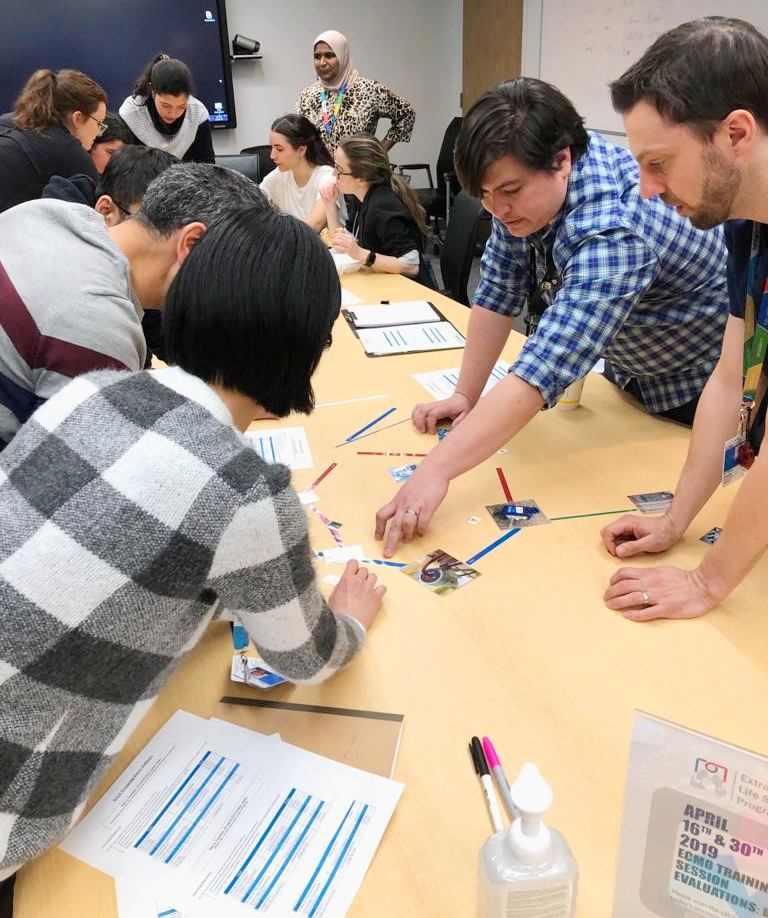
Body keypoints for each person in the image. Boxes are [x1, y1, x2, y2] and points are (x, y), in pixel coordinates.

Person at [0, 206, 385, 899]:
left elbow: (113, 552)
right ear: (304, 347)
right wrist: (349, 621)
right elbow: (303, 658)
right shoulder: (245, 493)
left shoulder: (92, 390)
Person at [373, 77, 730, 557]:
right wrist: (465, 394)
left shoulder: (615, 227)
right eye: (483, 193)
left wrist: (435, 470)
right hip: (629, 380)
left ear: (562, 160)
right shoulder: (531, 184)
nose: (497, 209)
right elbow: (497, 291)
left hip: (695, 391)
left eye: (509, 192)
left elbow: (544, 366)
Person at [600, 17, 768, 621]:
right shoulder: (747, 223)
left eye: (660, 163)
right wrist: (676, 518)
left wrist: (707, 584)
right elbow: (728, 378)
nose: (647, 190)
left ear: (735, 133)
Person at [0, 162, 265, 448]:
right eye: (231, 275)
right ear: (191, 242)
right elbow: (79, 481)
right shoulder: (99, 325)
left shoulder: (44, 214)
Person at [322, 134, 435, 287]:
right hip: (382, 281)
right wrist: (329, 205)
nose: (334, 175)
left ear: (361, 177)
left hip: (409, 291)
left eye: (339, 170)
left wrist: (362, 254)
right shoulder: (359, 196)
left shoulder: (383, 206)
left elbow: (411, 265)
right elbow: (343, 244)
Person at [0, 68, 106, 213]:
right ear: (78, 118)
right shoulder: (70, 152)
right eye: (99, 123)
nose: (99, 133)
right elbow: (100, 214)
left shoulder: (10, 119)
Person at [295, 30, 415, 154]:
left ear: (343, 56)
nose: (322, 63)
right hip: (318, 172)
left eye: (330, 55)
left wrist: (379, 152)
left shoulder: (369, 90)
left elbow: (406, 113)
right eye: (317, 56)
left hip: (357, 171)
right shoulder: (307, 95)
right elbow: (296, 136)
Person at [119, 53, 215, 163]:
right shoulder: (132, 112)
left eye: (181, 107)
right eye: (166, 105)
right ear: (153, 92)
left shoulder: (197, 112)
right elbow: (124, 167)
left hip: (183, 178)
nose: (173, 114)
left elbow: (207, 165)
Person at [260, 114, 342, 231]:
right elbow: (253, 201)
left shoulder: (327, 177)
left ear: (301, 150)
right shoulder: (279, 174)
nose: (272, 156)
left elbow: (314, 225)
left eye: (279, 149)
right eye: (271, 147)